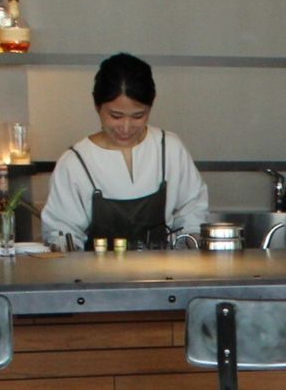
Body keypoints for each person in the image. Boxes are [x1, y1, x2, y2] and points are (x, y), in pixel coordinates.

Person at [41, 53, 210, 250]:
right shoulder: (76, 162)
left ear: (151, 106)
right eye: (116, 116)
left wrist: (191, 241)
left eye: (138, 116)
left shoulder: (169, 149)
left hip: (162, 268)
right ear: (97, 106)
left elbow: (192, 210)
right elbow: (61, 232)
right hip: (94, 270)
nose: (126, 127)